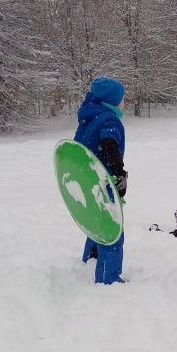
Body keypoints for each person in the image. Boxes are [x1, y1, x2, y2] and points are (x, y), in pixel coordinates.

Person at [74, 77, 128, 284]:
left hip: (87, 179)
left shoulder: (88, 118)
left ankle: (91, 258)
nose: (124, 102)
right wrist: (119, 173)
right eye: (122, 98)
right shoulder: (108, 119)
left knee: (95, 219)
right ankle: (109, 278)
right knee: (111, 227)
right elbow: (109, 144)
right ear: (112, 100)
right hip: (104, 181)